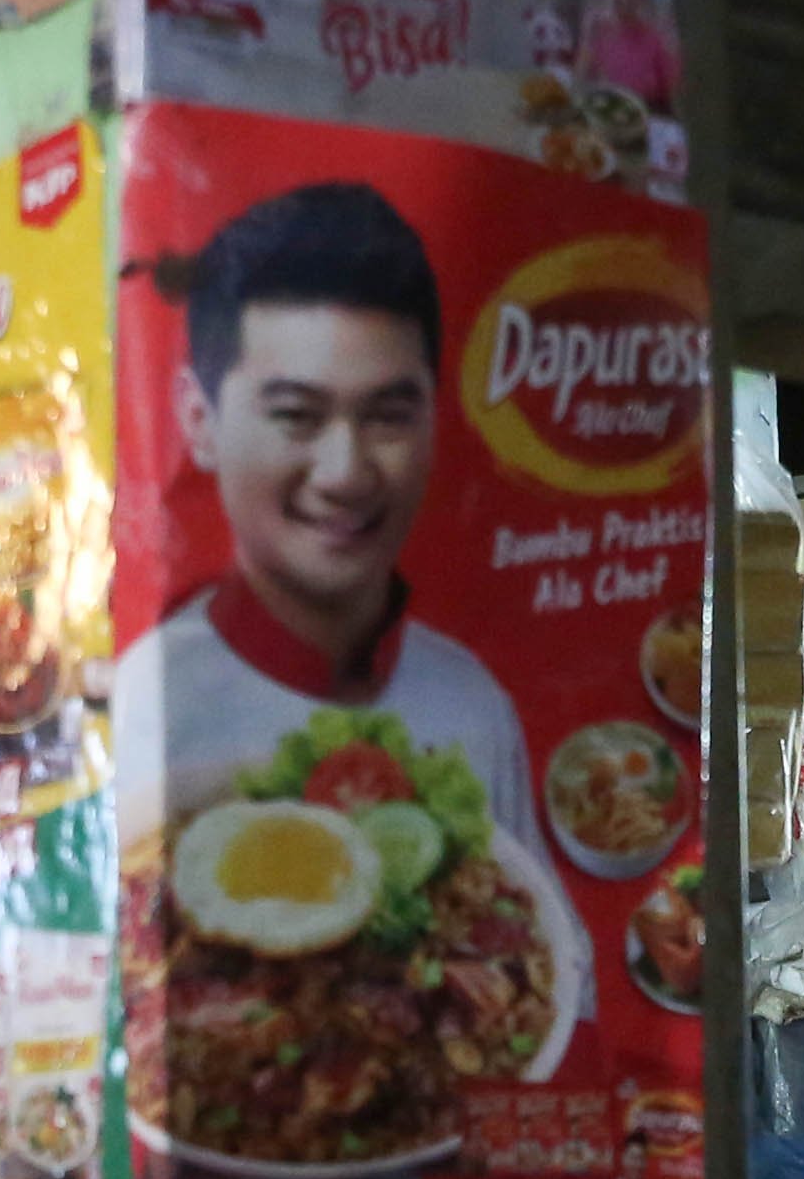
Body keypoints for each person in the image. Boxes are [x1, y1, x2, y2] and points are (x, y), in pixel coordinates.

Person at [107, 176, 544, 863]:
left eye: (387, 416)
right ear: (199, 421)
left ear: (434, 418)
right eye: (295, 416)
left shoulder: (470, 704)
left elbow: (547, 954)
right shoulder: (152, 698)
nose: (344, 472)